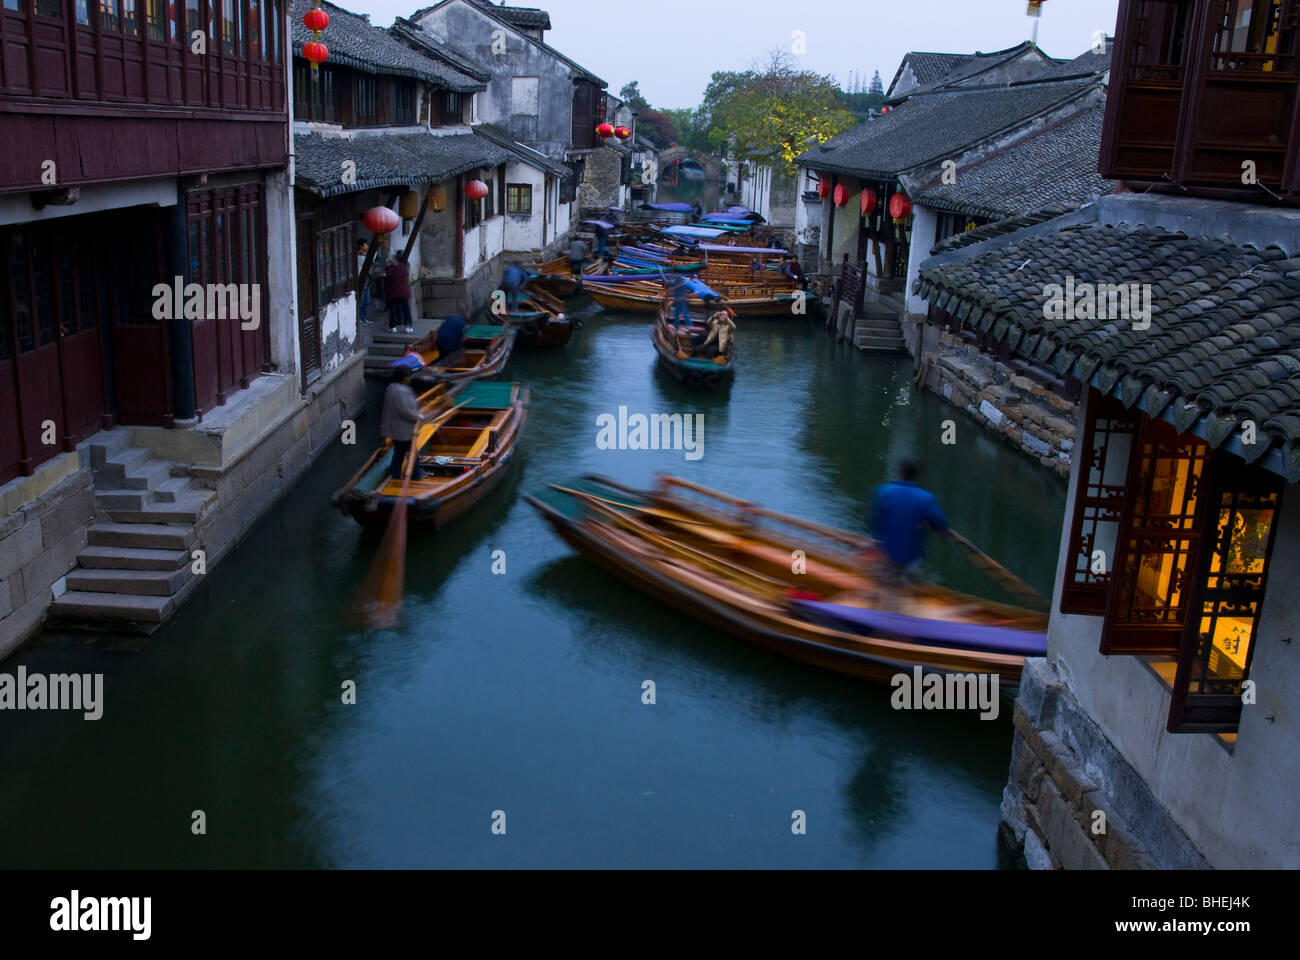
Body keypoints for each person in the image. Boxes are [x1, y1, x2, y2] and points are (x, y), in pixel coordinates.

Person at [869, 459, 949, 596]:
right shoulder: (926, 498)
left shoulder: (884, 492)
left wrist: (877, 540)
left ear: (900, 473)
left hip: (886, 550)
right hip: (912, 554)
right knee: (910, 585)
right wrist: (942, 533)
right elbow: (940, 523)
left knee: (887, 583)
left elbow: (874, 520)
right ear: (917, 476)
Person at [381, 366, 423, 481]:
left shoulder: (393, 388)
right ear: (405, 378)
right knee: (412, 454)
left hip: (400, 429)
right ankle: (414, 477)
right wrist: (418, 416)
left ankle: (395, 476)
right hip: (403, 431)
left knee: (399, 453)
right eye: (409, 376)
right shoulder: (398, 390)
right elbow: (404, 410)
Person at [386, 253, 413, 334]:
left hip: (393, 292)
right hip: (404, 292)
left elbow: (388, 279)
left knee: (392, 310)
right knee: (406, 309)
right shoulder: (406, 267)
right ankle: (408, 326)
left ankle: (393, 327)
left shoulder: (391, 269)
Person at [356, 239, 372, 325]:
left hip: (367, 278)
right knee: (362, 300)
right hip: (361, 278)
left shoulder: (365, 255)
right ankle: (360, 318)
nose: (367, 246)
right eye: (366, 244)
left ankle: (364, 318)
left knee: (367, 300)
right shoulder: (359, 256)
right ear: (361, 246)